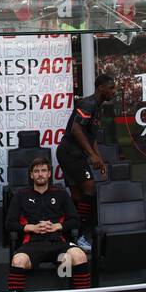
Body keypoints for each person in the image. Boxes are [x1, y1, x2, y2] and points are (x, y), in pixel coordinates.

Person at [5, 157, 90, 292]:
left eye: (44, 170)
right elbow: (9, 224)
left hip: (58, 244)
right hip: (32, 244)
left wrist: (57, 226)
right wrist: (32, 228)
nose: (40, 174)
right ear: (31, 175)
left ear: (49, 174)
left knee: (79, 256)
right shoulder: (21, 195)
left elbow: (75, 220)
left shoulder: (60, 193)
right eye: (36, 171)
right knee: (18, 261)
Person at [55, 73, 116, 249]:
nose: (114, 91)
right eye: (111, 88)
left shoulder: (98, 107)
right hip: (69, 153)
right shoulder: (87, 103)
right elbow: (76, 129)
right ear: (100, 88)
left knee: (77, 195)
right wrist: (91, 155)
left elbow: (92, 138)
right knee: (90, 188)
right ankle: (80, 233)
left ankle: (68, 231)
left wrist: (100, 159)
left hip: (75, 154)